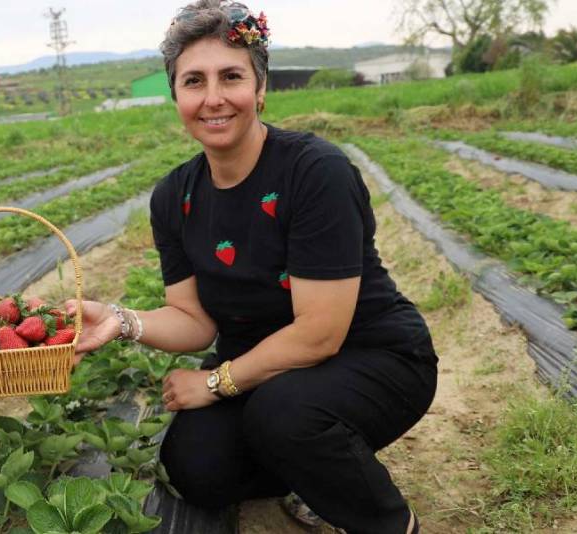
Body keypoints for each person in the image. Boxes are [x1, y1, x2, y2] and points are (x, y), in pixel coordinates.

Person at [65, 2, 437, 533]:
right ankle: (316, 471)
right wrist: (120, 320)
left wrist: (215, 382)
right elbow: (194, 321)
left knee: (285, 416)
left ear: (260, 88)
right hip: (262, 369)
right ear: (176, 96)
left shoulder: (315, 172)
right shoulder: (175, 196)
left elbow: (320, 335)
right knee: (196, 467)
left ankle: (388, 522)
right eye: (194, 81)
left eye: (231, 76)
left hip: (370, 356)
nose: (213, 97)